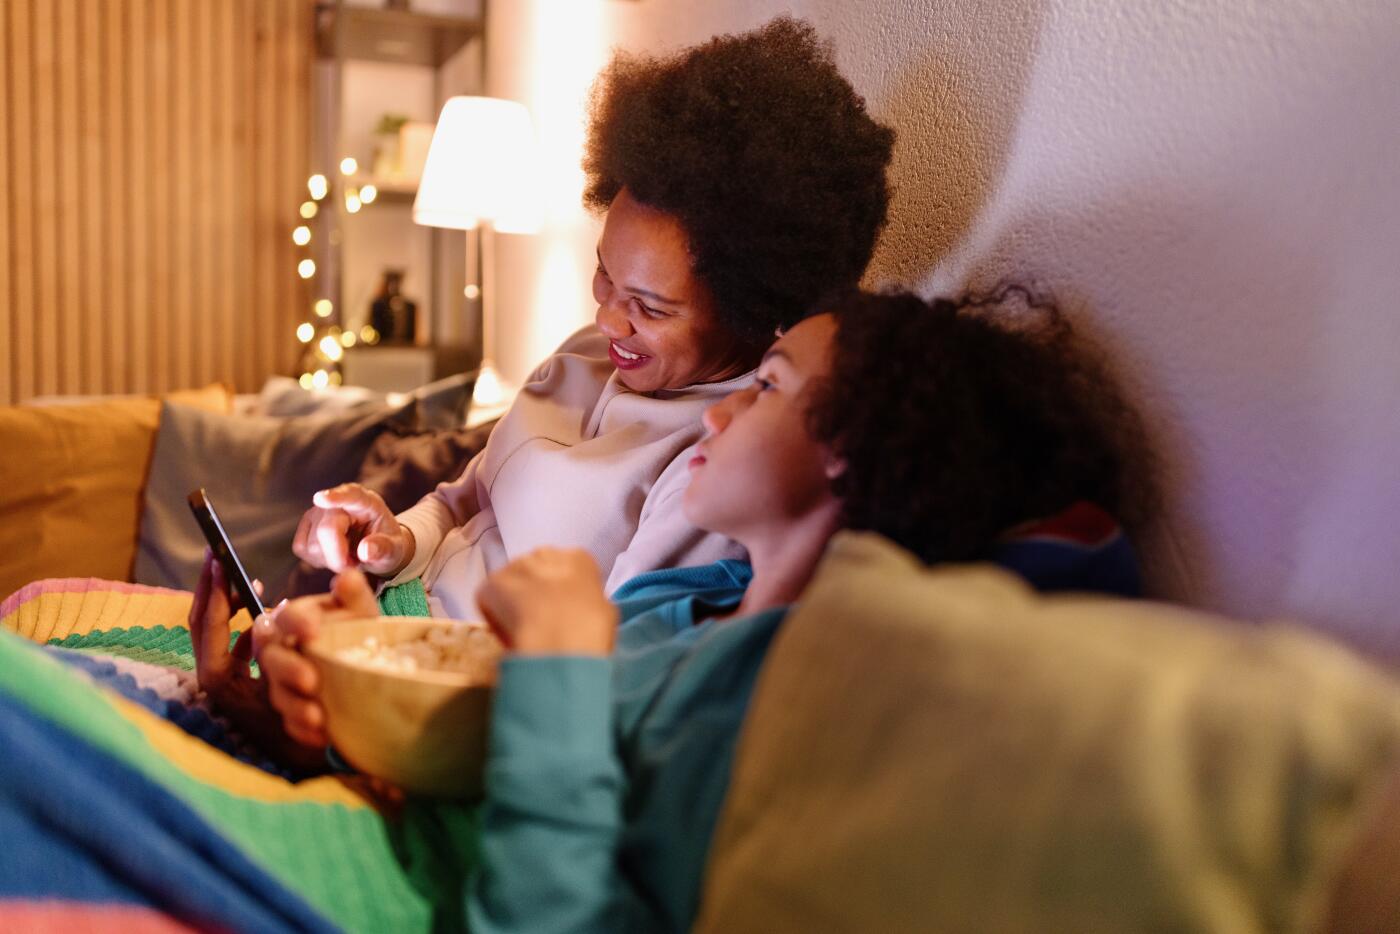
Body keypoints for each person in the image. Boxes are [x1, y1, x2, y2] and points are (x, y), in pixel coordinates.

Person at [194, 287, 1149, 931]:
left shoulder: (799, 699)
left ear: (850, 453)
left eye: (767, 386)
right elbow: (473, 765)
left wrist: (562, 670)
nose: (720, 414)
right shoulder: (673, 605)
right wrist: (322, 697)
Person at [291, 17, 896, 619]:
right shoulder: (582, 353)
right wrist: (393, 541)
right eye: (605, 272)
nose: (608, 320)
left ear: (752, 307)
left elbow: (602, 659)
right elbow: (465, 496)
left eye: (650, 306)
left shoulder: (714, 456)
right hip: (374, 615)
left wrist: (382, 646)